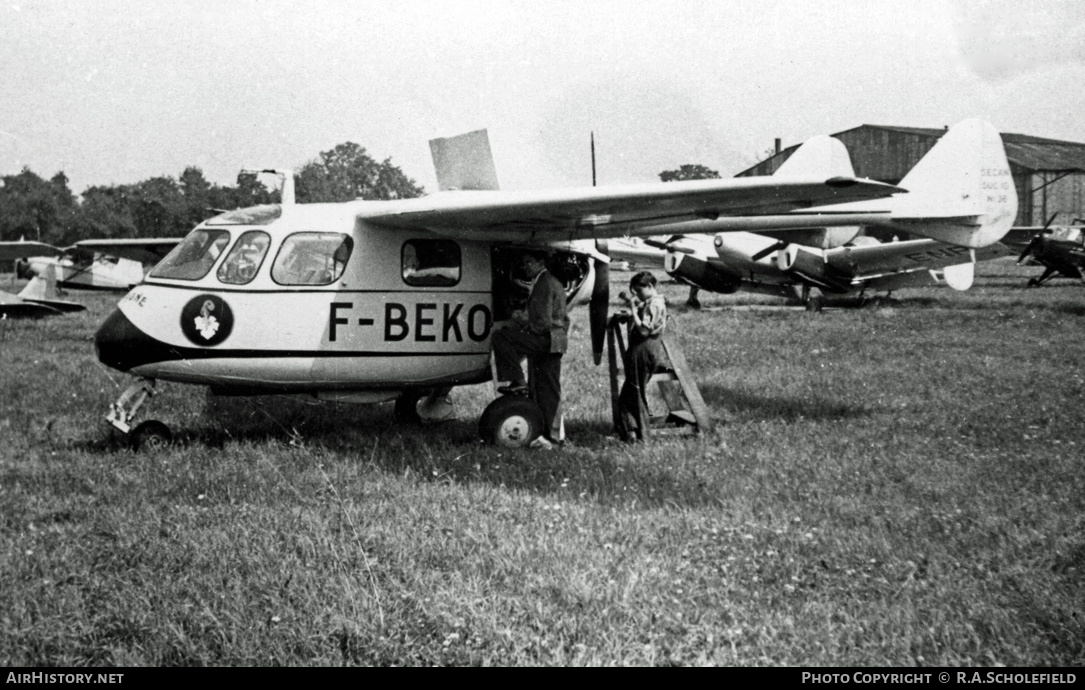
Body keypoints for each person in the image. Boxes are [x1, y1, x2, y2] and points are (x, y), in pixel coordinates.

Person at [491, 250, 570, 448]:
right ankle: (547, 434)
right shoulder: (546, 281)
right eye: (524, 263)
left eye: (529, 262)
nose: (526, 266)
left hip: (547, 338)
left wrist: (519, 321)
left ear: (540, 262)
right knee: (544, 387)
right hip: (552, 340)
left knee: (501, 338)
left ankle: (518, 382)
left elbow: (542, 322)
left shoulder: (544, 283)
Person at [617, 271, 668, 440]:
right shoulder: (652, 302)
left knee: (634, 394)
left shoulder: (654, 304)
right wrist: (631, 303)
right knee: (630, 394)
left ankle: (643, 436)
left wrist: (632, 308)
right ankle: (632, 433)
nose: (637, 295)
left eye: (639, 291)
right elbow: (642, 309)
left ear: (650, 286)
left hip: (644, 349)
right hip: (644, 349)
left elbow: (644, 330)